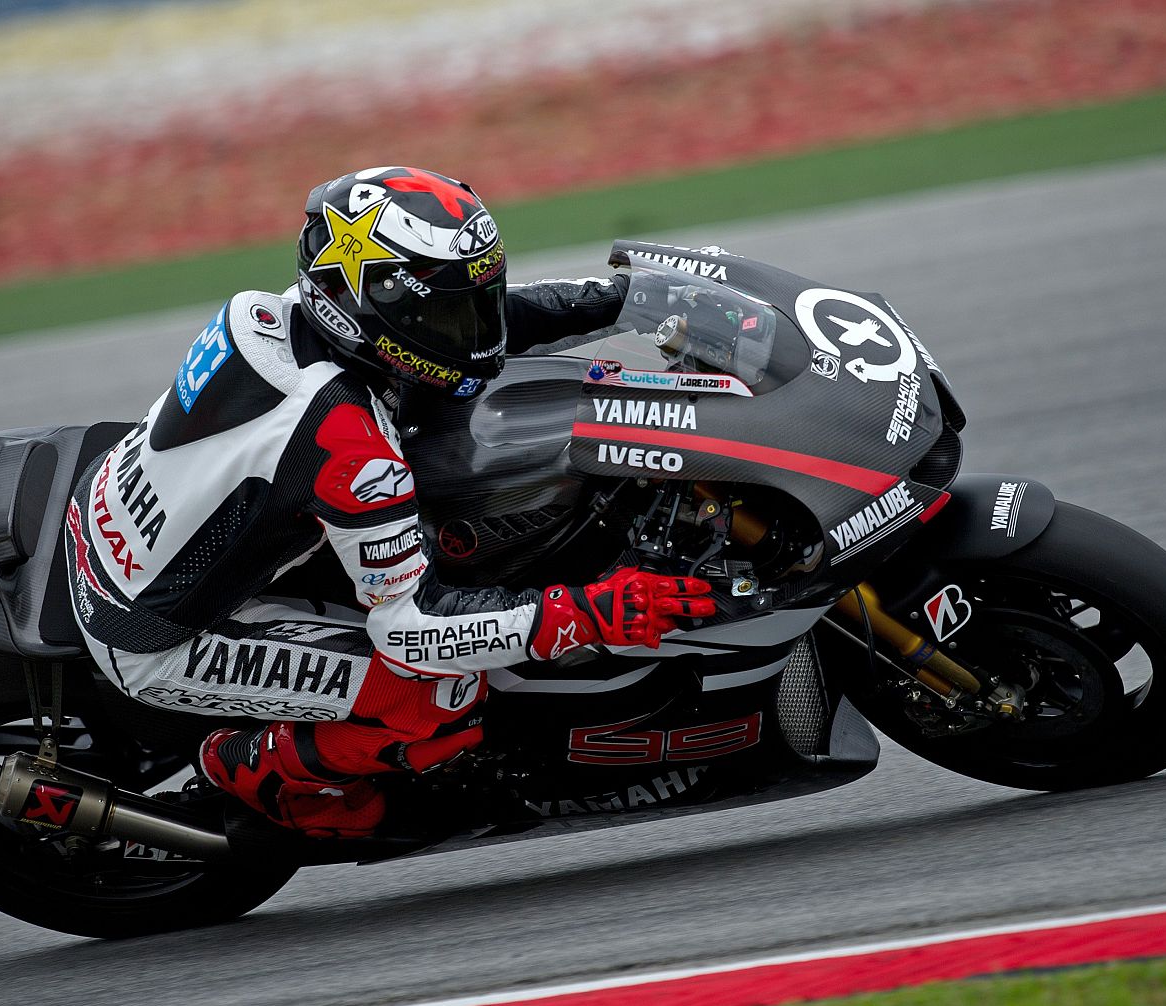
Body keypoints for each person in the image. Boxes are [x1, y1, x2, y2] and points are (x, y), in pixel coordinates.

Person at [62, 167, 715, 838]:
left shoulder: (276, 310)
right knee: (440, 691)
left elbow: (490, 324)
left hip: (110, 520)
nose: (474, 330)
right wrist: (583, 613)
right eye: (446, 312)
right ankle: (256, 769)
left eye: (474, 298)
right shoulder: (347, 442)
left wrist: (626, 300)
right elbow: (408, 629)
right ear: (371, 306)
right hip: (152, 631)